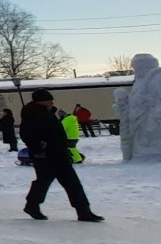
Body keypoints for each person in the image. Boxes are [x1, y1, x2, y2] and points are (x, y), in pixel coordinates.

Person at [22, 90, 103, 222]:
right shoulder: (32, 115)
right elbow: (27, 135)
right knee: (47, 182)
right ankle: (32, 205)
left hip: (58, 155)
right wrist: (40, 148)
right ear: (40, 101)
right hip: (45, 156)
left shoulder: (48, 114)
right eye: (49, 100)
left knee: (69, 183)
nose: (52, 102)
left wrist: (65, 151)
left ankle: (83, 211)